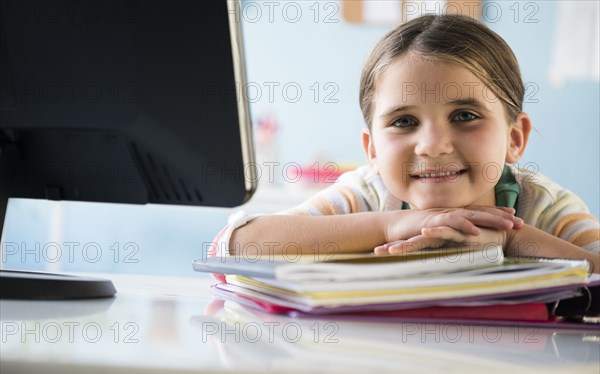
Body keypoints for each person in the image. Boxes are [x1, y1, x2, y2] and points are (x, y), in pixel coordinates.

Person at [210, 14, 600, 274]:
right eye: (404, 122)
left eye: (464, 115)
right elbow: (232, 245)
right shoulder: (366, 195)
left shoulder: (543, 207)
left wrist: (512, 238)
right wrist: (392, 224)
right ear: (373, 151)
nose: (432, 145)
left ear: (515, 138)